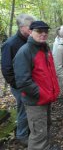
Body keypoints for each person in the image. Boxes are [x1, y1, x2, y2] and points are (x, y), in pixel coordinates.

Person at [13, 21, 60, 150]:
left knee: (45, 127)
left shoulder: (45, 47)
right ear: (31, 32)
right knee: (38, 134)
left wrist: (52, 91)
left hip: (46, 97)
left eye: (46, 31)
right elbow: (23, 81)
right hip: (36, 101)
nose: (43, 34)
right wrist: (42, 93)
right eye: (39, 31)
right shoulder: (25, 51)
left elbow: (49, 73)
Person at [1, 14, 36, 147]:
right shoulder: (9, 44)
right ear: (22, 27)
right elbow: (6, 69)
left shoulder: (31, 40)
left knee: (31, 107)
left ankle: (30, 130)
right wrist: (18, 85)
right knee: (23, 108)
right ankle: (22, 135)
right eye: (30, 27)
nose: (33, 30)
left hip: (32, 82)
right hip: (19, 86)